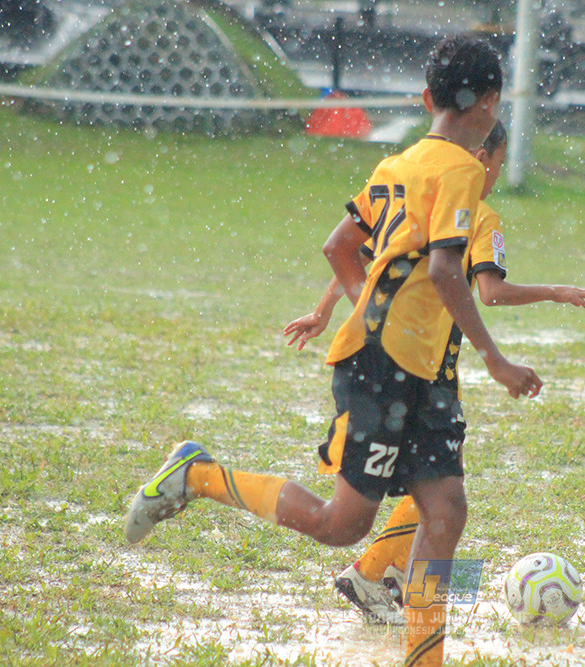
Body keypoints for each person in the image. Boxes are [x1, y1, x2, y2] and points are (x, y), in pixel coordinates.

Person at [124, 36, 541, 667]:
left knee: (446, 510)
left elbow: (339, 247)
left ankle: (424, 658)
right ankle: (196, 476)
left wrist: (369, 308)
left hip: (418, 372)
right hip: (383, 370)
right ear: (489, 101)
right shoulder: (460, 170)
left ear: (427, 97)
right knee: (340, 525)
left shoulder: (397, 165)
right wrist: (494, 358)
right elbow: (444, 272)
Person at [284, 120, 585, 625]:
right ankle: (381, 580)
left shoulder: (421, 194)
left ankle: (389, 581)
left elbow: (362, 254)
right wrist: (554, 292)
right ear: (482, 156)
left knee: (436, 488)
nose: (495, 174)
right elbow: (491, 291)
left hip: (402, 358)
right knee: (439, 490)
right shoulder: (480, 214)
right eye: (499, 162)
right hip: (428, 364)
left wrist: (327, 310)